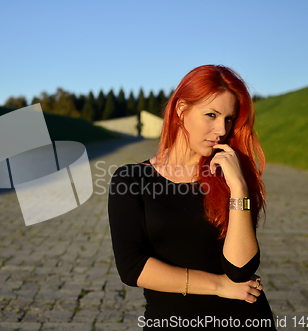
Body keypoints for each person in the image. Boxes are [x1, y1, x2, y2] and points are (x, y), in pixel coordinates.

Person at [108, 65, 276, 330]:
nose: (221, 130)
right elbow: (132, 268)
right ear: (181, 109)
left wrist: (240, 190)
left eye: (229, 119)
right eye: (211, 115)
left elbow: (240, 270)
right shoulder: (131, 179)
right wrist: (218, 285)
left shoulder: (231, 176)